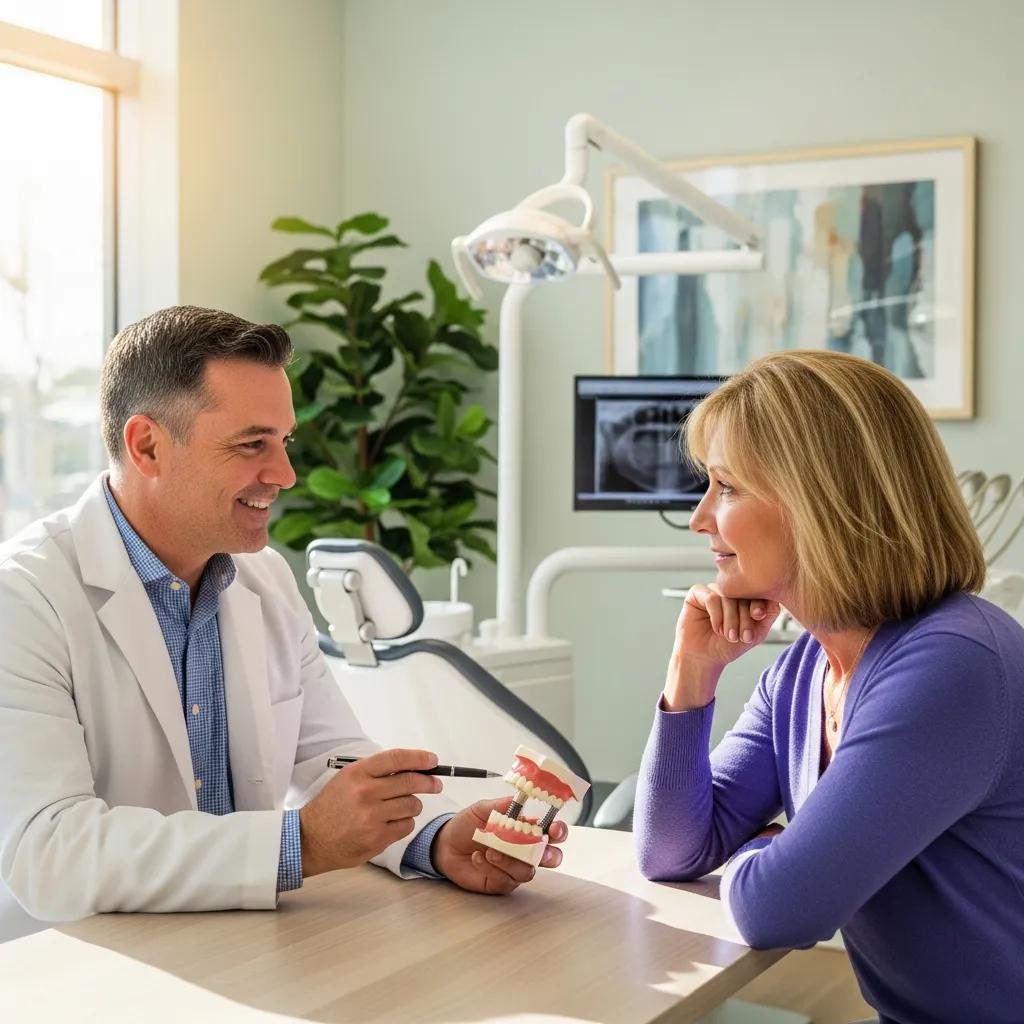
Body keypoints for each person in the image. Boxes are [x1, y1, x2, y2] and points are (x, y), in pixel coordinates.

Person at [0, 305, 563, 938]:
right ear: (147, 445)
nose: (285, 474)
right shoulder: (23, 597)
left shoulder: (261, 577)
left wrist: (431, 840)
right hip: (85, 963)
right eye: (251, 444)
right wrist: (299, 844)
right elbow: (47, 849)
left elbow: (328, 758)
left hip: (242, 943)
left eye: (284, 441)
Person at [634, 350, 1024, 1023]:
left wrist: (784, 854)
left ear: (821, 500)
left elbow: (780, 909)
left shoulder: (953, 664)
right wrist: (691, 676)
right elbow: (671, 851)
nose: (701, 519)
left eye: (726, 487)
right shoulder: (804, 670)